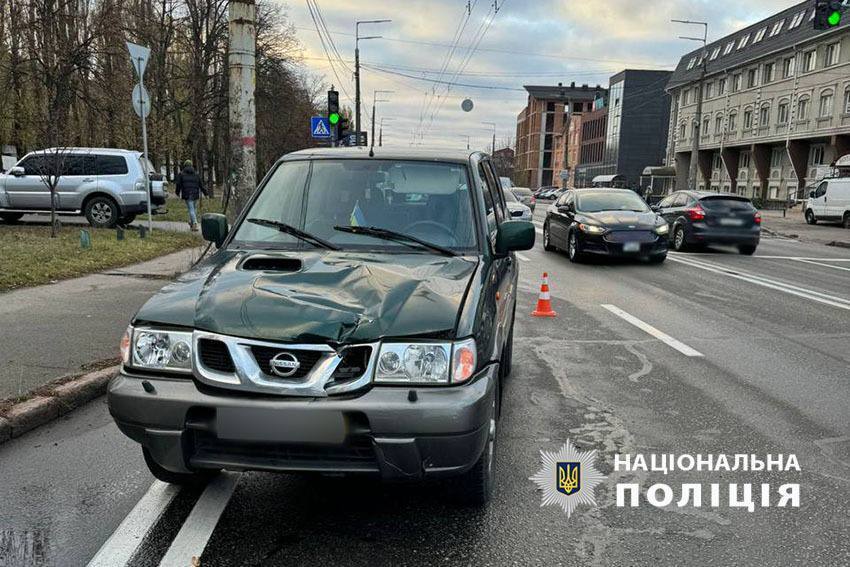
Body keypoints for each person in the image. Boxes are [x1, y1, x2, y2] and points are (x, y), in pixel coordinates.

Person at [174, 159, 208, 231]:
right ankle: (192, 223)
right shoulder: (196, 174)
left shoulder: (181, 174)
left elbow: (178, 184)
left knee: (191, 209)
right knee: (194, 208)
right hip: (195, 194)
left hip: (187, 193)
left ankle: (195, 223)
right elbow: (201, 185)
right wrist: (206, 193)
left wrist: (177, 193)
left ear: (185, 166)